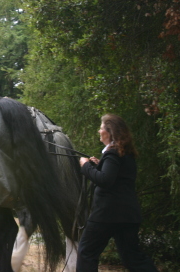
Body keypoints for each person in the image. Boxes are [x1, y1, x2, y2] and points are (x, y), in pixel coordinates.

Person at [77, 114, 158, 272]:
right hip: (128, 215)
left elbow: (106, 181)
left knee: (86, 253)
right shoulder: (125, 153)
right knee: (133, 259)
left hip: (106, 215)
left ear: (110, 132)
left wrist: (85, 166)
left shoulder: (112, 153)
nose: (99, 131)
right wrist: (99, 165)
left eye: (101, 128)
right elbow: (117, 177)